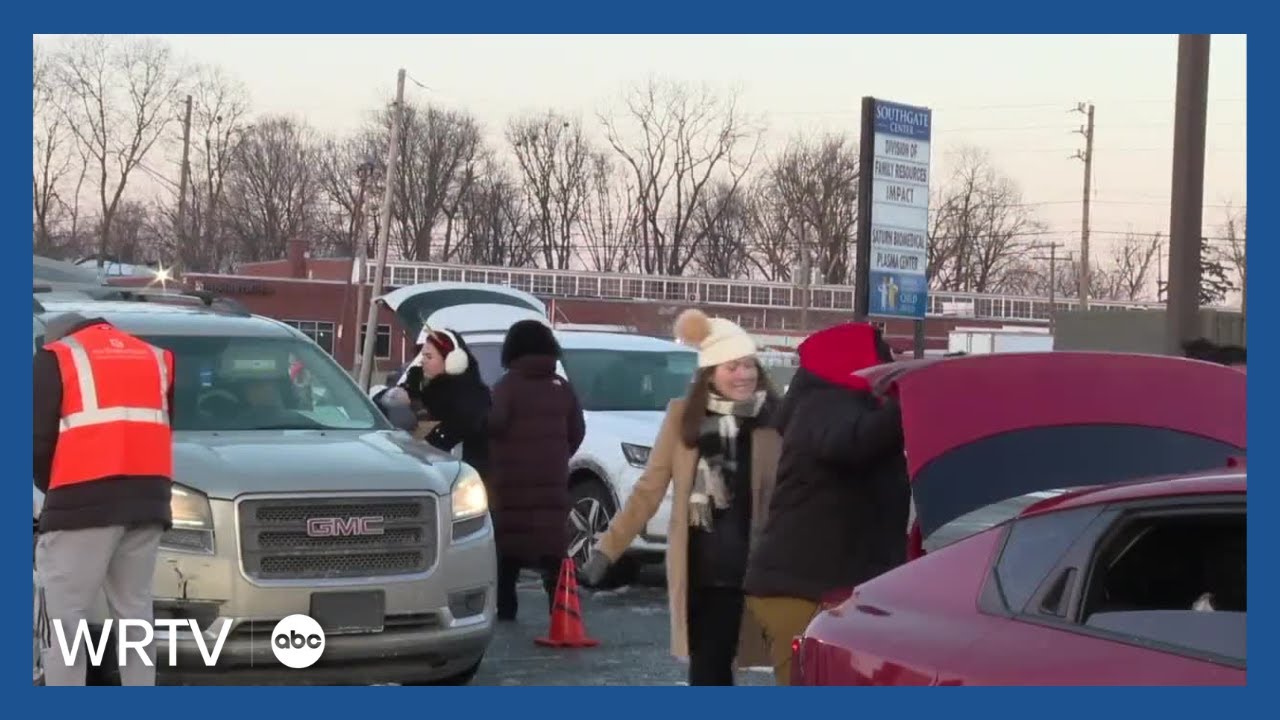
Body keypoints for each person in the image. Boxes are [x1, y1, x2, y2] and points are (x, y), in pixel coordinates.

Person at [583, 309, 781, 686]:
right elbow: (648, 490)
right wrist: (607, 549)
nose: (743, 375)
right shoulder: (681, 419)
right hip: (701, 572)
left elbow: (792, 493)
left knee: (718, 667)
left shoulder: (773, 421)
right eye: (731, 367)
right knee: (708, 669)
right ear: (710, 373)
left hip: (753, 568)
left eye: (748, 365)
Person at [743, 322, 908, 686]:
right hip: (800, 591)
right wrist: (906, 400)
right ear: (855, 361)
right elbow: (852, 442)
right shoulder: (823, 405)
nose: (890, 363)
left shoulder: (841, 406)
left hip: (822, 587)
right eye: (885, 356)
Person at [33, 312, 176, 686]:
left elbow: (36, 440)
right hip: (148, 504)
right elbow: (160, 426)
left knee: (64, 623)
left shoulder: (55, 356)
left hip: (80, 504)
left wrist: (54, 491)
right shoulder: (154, 357)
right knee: (135, 616)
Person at [487, 320, 586, 621]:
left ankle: (506, 609)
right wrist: (556, 455)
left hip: (511, 483)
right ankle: (561, 614)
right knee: (553, 552)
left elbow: (494, 425)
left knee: (507, 551)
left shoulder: (506, 387)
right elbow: (577, 431)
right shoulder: (563, 388)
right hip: (551, 483)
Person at [372, 327, 491, 475]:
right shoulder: (425, 388)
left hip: (461, 483)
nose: (422, 362)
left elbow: (438, 444)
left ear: (452, 361)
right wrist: (395, 395)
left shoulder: (472, 400)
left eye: (429, 357)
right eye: (423, 356)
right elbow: (379, 403)